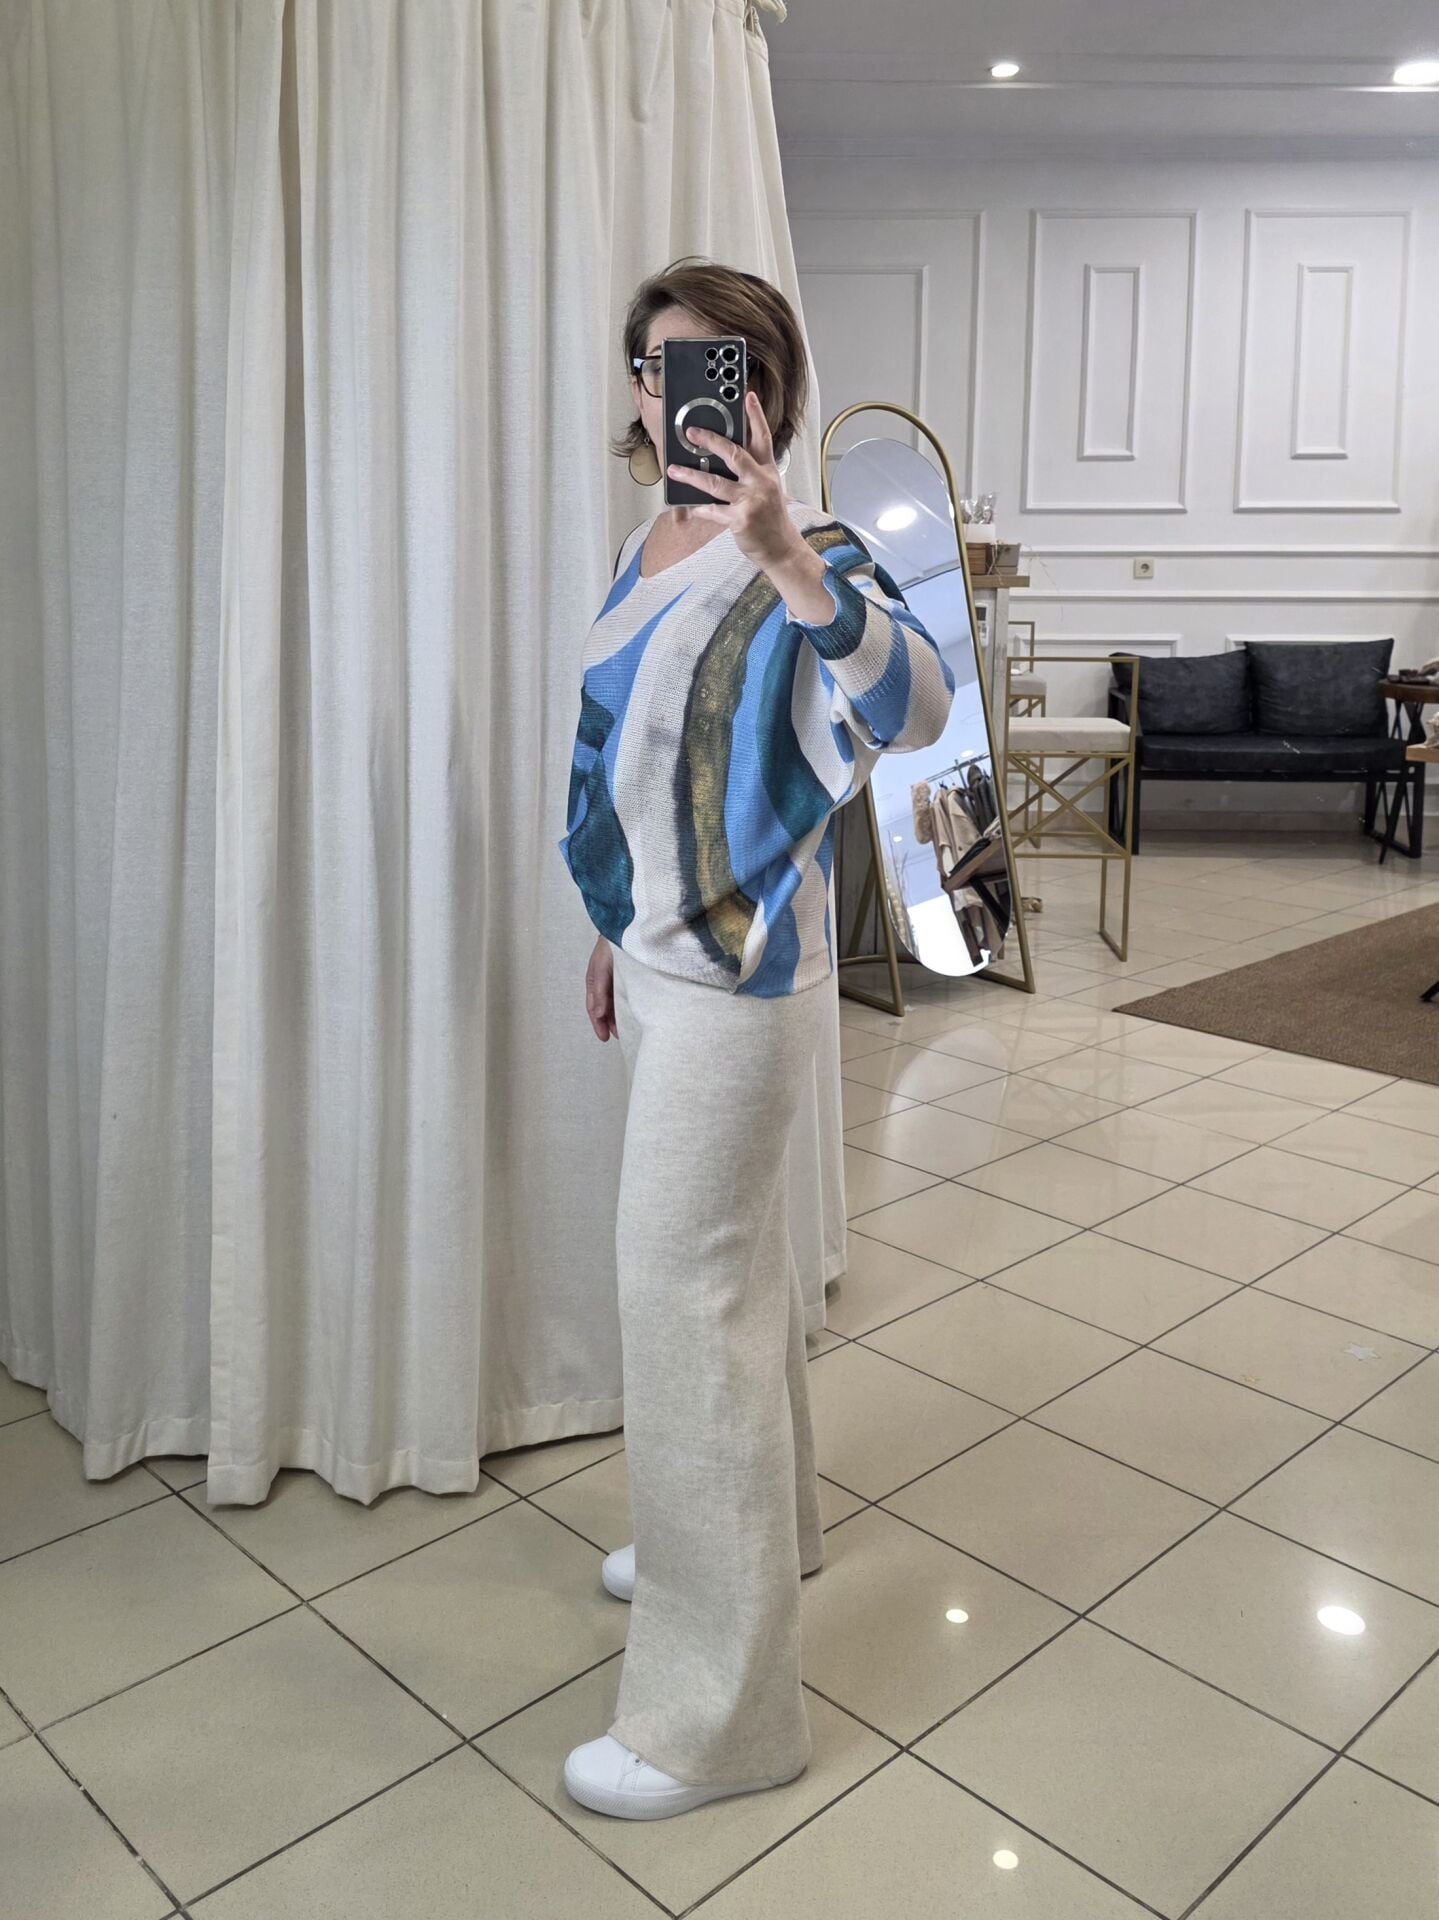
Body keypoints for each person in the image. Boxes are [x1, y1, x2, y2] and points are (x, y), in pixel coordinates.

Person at [556, 258, 955, 1820]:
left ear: (771, 389)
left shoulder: (815, 549)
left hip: (740, 983)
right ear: (642, 393)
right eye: (666, 370)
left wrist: (788, 554)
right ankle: (757, 1535)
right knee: (735, 1279)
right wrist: (611, 922)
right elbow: (630, 757)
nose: (692, 396)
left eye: (726, 367)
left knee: (684, 1296)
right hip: (660, 964)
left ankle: (716, 1725)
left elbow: (917, 709)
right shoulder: (644, 542)